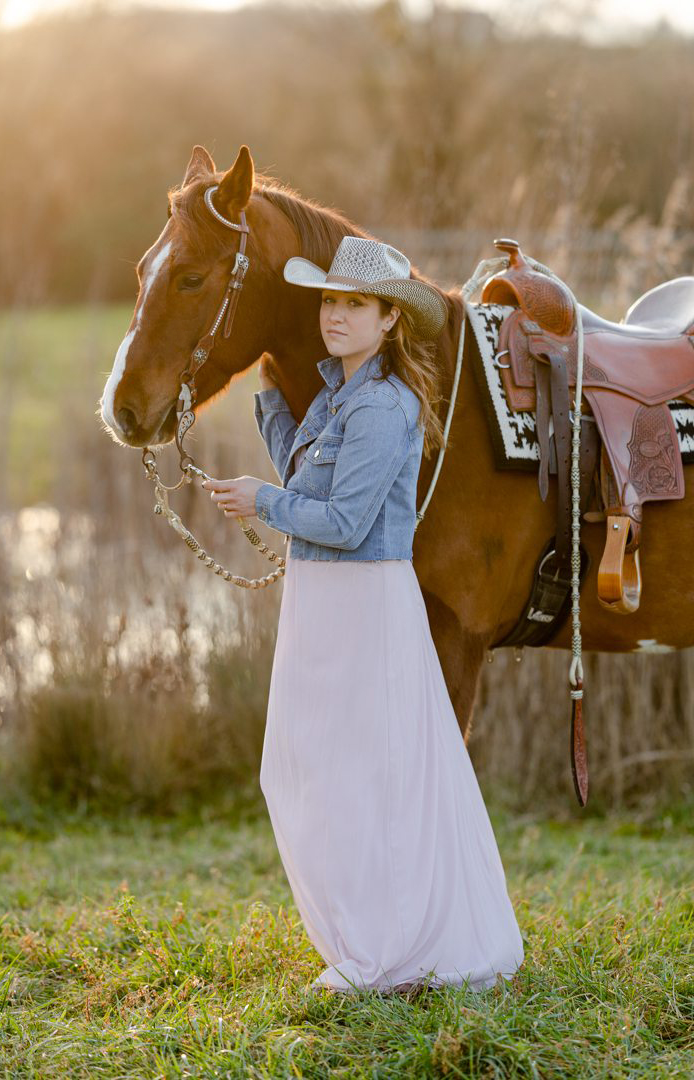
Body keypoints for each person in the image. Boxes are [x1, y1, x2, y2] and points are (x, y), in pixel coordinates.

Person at [203, 236, 524, 995]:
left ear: (389, 321)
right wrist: (269, 397)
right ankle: (366, 937)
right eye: (331, 302)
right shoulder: (343, 396)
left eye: (356, 305)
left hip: (363, 598)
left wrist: (260, 501)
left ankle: (386, 952)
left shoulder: (383, 403)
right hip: (327, 601)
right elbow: (309, 473)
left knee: (361, 773)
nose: (338, 316)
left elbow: (343, 520)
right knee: (315, 766)